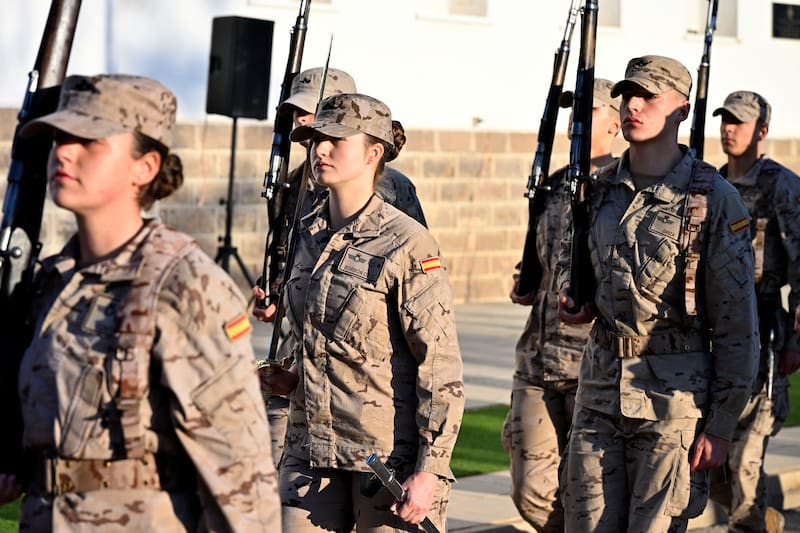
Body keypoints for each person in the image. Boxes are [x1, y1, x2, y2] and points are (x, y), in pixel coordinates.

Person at [0, 74, 280, 531]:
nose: (65, 152)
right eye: (60, 139)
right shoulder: (49, 284)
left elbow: (241, 476)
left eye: (89, 141)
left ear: (145, 167)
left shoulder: (185, 287)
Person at [557, 55, 759, 532]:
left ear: (681, 110)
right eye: (627, 94)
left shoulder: (712, 200)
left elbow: (737, 326)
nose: (632, 105)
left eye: (648, 96)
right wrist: (575, 297)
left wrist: (722, 424)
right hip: (599, 394)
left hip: (673, 406)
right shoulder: (598, 190)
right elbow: (574, 263)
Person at [263, 92, 464, 532]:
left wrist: (431, 467)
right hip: (310, 446)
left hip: (385, 456)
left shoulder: (406, 242)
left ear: (374, 153)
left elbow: (439, 362)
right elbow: (318, 335)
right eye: (316, 139)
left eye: (336, 140)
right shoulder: (306, 233)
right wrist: (291, 378)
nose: (320, 149)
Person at [252, 67, 428, 467]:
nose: (302, 121)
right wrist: (274, 293)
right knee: (274, 460)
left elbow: (412, 273)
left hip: (363, 368)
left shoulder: (387, 187)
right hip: (297, 351)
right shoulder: (292, 183)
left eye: (310, 112)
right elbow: (289, 254)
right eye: (295, 114)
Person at [503, 77, 622, 532]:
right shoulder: (553, 187)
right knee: (530, 490)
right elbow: (542, 260)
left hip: (591, 368)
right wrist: (526, 280)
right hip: (536, 360)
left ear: (614, 125)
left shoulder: (622, 191)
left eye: (590, 112)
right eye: (574, 113)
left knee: (589, 495)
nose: (576, 121)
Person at [708, 90, 800, 533]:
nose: (729, 129)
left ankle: (750, 524)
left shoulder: (781, 185)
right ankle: (762, 520)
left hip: (765, 333)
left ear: (762, 130)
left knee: (745, 458)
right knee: (707, 464)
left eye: (739, 122)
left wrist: (796, 339)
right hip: (715, 333)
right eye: (725, 119)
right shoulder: (710, 183)